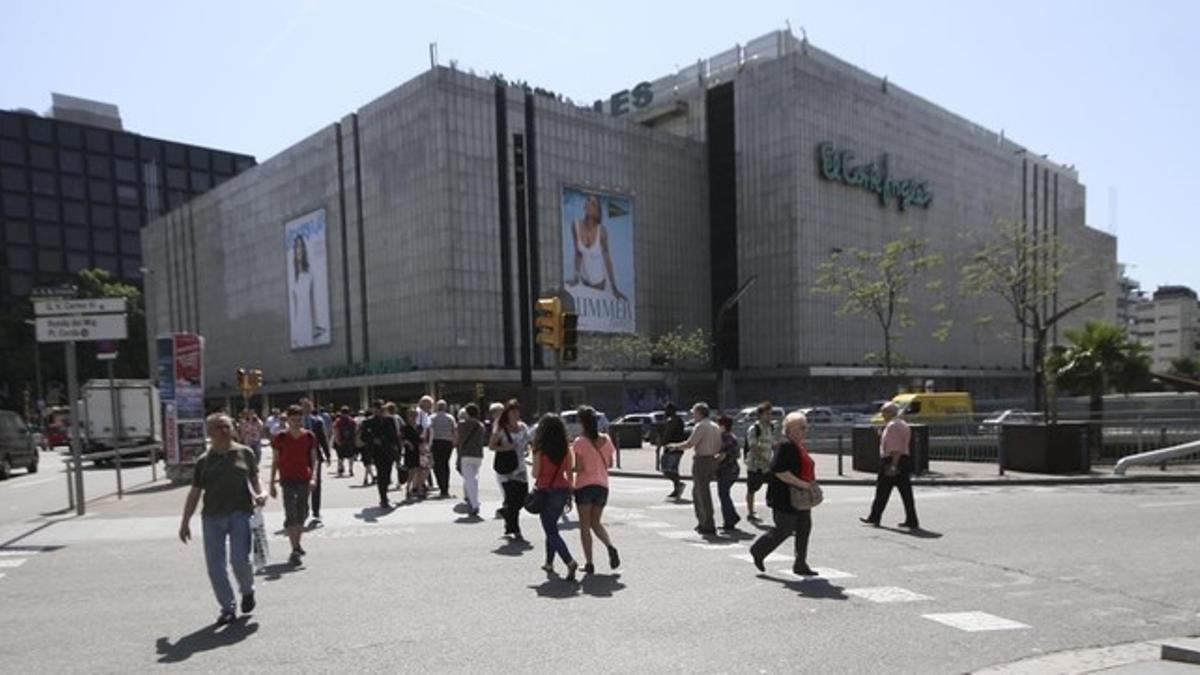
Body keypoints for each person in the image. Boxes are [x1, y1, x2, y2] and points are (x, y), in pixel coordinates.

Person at [178, 413, 266, 625]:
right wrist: (185, 522)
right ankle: (228, 607)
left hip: (240, 513)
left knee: (239, 560)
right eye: (218, 427)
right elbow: (195, 492)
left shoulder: (245, 453)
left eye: (227, 426)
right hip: (212, 517)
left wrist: (260, 492)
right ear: (209, 433)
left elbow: (254, 477)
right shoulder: (204, 461)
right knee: (215, 566)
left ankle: (247, 590)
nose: (224, 431)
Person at [749, 411, 818, 576]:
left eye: (805, 426)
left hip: (800, 496)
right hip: (785, 497)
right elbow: (778, 470)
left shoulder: (797, 445)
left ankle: (800, 564)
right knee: (784, 529)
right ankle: (758, 550)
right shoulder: (785, 445)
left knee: (804, 528)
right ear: (790, 429)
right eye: (801, 427)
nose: (805, 430)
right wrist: (802, 483)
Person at [268, 405, 319, 567]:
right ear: (287, 420)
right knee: (291, 513)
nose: (296, 423)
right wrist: (272, 483)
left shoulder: (309, 436)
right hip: (287, 478)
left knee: (303, 512)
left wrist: (314, 477)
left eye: (299, 419)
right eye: (293, 420)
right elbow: (275, 461)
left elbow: (314, 459)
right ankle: (295, 548)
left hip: (304, 478)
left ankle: (297, 543)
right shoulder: (280, 437)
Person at [571, 406, 619, 575]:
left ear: (581, 422)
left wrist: (569, 470)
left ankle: (589, 563)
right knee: (596, 522)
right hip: (602, 486)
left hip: (584, 486)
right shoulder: (606, 439)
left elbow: (579, 467)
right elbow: (611, 464)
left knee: (584, 526)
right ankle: (610, 546)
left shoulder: (579, 442)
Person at [531, 413, 578, 580]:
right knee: (552, 528)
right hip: (562, 489)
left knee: (550, 530)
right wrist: (570, 492)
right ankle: (549, 562)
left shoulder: (539, 448)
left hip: (545, 490)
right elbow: (570, 471)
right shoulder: (566, 447)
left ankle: (569, 561)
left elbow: (535, 473)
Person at [666, 402, 722, 535]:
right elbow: (719, 444)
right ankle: (704, 522)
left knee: (701, 494)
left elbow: (690, 443)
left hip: (702, 460)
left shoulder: (701, 426)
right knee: (701, 492)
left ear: (700, 413)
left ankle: (707, 524)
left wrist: (674, 446)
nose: (693, 415)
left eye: (694, 412)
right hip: (712, 459)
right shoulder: (714, 425)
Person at [861, 402, 920, 528]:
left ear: (889, 413)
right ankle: (912, 519)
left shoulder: (892, 426)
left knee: (882, 491)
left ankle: (874, 517)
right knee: (906, 493)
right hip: (903, 460)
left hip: (891, 460)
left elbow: (895, 448)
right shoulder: (902, 424)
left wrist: (893, 465)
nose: (882, 414)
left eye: (883, 412)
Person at [566, 192, 626, 301]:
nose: (589, 204)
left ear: (597, 212)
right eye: (588, 200)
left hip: (599, 284)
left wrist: (614, 288)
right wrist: (575, 277)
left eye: (593, 204)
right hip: (584, 281)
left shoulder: (602, 231)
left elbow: (607, 258)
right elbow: (578, 253)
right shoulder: (575, 225)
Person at [489, 399, 530, 540]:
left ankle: (507, 514)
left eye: (517, 411)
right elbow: (491, 446)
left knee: (522, 498)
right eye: (513, 411)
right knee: (512, 499)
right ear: (507, 413)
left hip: (521, 467)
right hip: (506, 469)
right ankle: (514, 528)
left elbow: (528, 442)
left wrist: (527, 449)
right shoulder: (501, 428)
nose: (515, 414)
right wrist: (506, 448)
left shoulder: (523, 427)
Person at [359, 400, 399, 508]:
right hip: (377, 452)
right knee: (381, 475)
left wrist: (398, 451)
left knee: (388, 474)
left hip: (389, 451)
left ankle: (385, 492)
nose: (379, 411)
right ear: (373, 410)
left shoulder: (390, 420)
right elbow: (363, 437)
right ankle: (383, 497)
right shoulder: (368, 422)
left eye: (381, 409)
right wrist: (373, 440)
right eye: (377, 409)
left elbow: (395, 436)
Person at [289, 234, 326, 346]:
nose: (298, 250)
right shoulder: (293, 277)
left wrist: (316, 328)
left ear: (304, 249)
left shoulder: (310, 274)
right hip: (299, 326)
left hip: (308, 324)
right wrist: (294, 333)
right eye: (296, 247)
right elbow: (294, 307)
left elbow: (313, 302)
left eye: (300, 247)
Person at [300, 397, 330, 528]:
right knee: (302, 484)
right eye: (303, 406)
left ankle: (316, 511)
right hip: (300, 457)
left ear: (311, 408)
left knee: (316, 484)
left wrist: (327, 454)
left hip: (315, 456)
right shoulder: (296, 422)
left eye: (308, 406)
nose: (306, 409)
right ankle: (304, 509)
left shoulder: (318, 421)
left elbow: (323, 438)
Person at [744, 402, 776, 522]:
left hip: (768, 465)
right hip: (755, 465)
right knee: (752, 489)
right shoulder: (754, 429)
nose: (770, 416)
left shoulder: (770, 427)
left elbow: (773, 444)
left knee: (775, 485)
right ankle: (751, 512)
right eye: (767, 414)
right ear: (760, 415)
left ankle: (775, 510)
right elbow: (753, 447)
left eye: (770, 414)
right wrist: (765, 460)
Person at [456, 404, 486, 518]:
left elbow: (457, 437)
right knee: (474, 478)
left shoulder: (462, 425)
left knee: (469, 480)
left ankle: (474, 505)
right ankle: (474, 500)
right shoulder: (480, 425)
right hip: (478, 455)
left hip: (466, 455)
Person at [715, 415, 742, 532]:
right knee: (724, 494)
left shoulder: (725, 437)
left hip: (727, 469)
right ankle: (732, 516)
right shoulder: (732, 437)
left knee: (723, 494)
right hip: (733, 469)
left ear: (723, 426)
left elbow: (722, 456)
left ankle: (730, 520)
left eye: (718, 425)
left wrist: (711, 463)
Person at [428, 399, 458, 499]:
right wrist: (454, 442)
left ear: (437, 407)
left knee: (437, 465)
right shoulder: (450, 418)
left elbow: (429, 430)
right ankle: (445, 488)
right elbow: (454, 430)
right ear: (445, 407)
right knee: (445, 464)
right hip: (447, 443)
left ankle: (441, 487)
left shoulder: (432, 417)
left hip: (436, 442)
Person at [659, 403, 688, 500]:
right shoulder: (677, 420)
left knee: (667, 469)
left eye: (666, 410)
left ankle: (679, 485)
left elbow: (667, 434)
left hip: (672, 448)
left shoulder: (672, 420)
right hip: (677, 448)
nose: (665, 412)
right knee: (672, 469)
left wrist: (660, 445)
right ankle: (677, 488)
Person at [399, 406, 428, 501]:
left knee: (420, 471)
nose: (413, 417)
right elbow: (402, 439)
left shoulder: (419, 427)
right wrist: (408, 443)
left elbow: (423, 438)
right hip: (410, 451)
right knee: (411, 471)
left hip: (419, 451)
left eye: (415, 415)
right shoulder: (404, 427)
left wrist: (424, 446)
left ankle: (419, 489)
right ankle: (408, 489)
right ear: (407, 416)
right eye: (411, 415)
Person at [356, 407, 377, 487]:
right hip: (369, 444)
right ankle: (369, 477)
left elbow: (357, 432)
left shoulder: (361, 422)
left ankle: (368, 477)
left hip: (363, 444)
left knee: (367, 462)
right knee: (368, 462)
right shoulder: (368, 422)